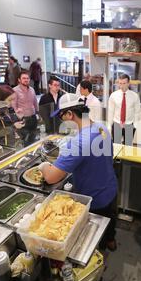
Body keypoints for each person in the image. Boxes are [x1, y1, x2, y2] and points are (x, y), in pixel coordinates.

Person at [38, 93, 118, 251]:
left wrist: (43, 166)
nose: (62, 122)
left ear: (70, 114)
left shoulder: (78, 142)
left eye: (62, 117)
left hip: (93, 197)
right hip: (110, 187)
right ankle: (111, 241)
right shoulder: (101, 127)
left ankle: (99, 251)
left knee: (93, 236)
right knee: (110, 219)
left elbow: (51, 178)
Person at [107, 74, 140, 146]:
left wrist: (135, 125)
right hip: (116, 123)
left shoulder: (135, 96)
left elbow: (137, 112)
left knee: (127, 147)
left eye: (124, 83)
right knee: (116, 146)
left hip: (129, 124)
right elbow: (110, 111)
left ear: (128, 83)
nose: (122, 86)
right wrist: (109, 124)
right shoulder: (113, 95)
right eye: (120, 83)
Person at [11, 71, 39, 146]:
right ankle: (27, 155)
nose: (26, 80)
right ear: (19, 80)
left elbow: (35, 103)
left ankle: (32, 154)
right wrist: (17, 119)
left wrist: (38, 113)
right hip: (23, 119)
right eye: (24, 78)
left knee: (33, 138)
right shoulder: (15, 90)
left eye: (27, 78)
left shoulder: (32, 90)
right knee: (26, 140)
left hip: (33, 118)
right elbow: (14, 106)